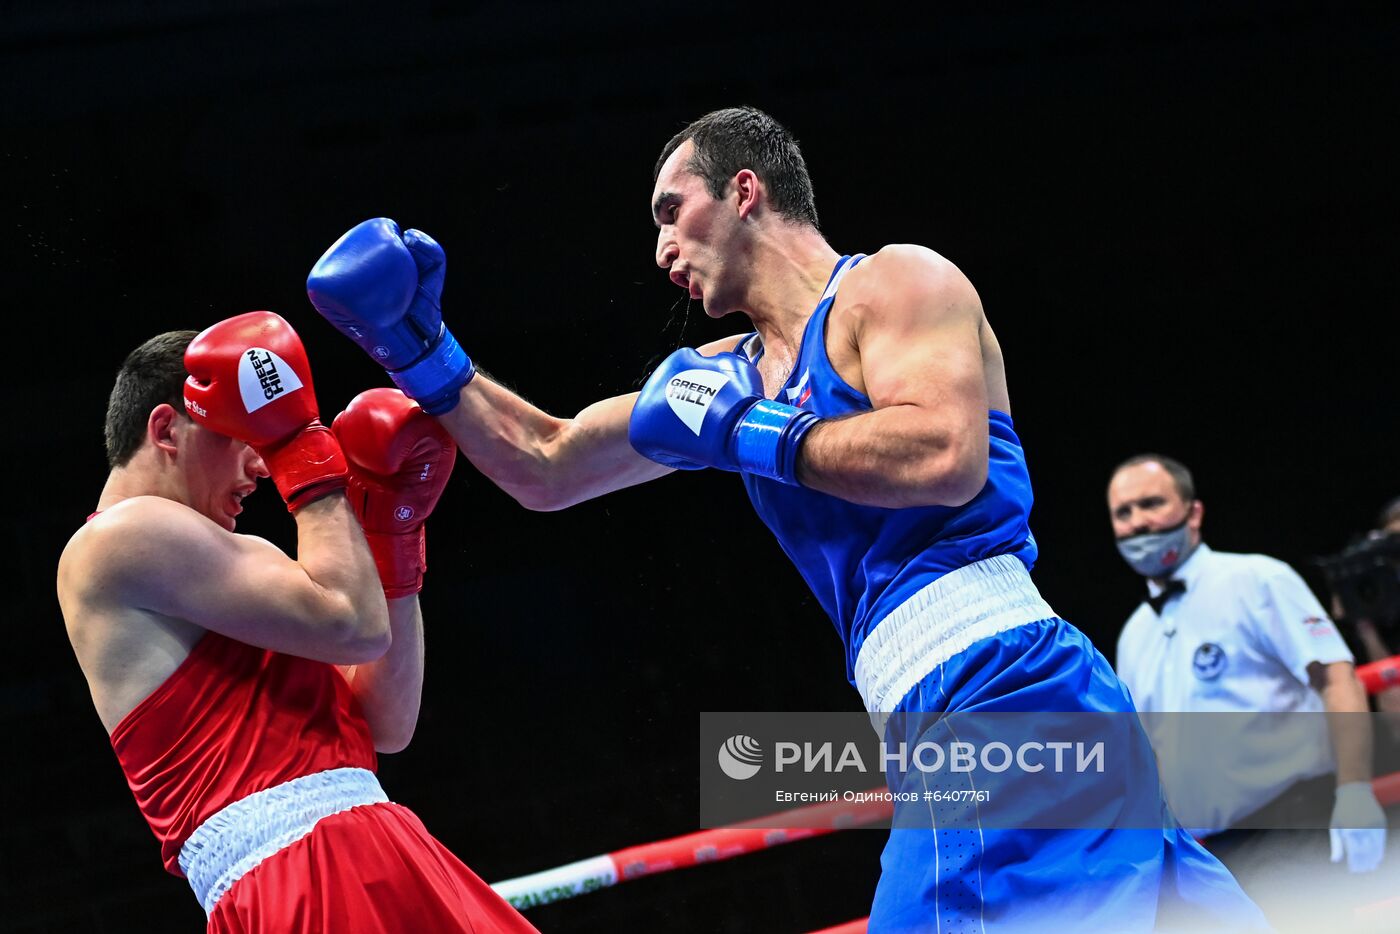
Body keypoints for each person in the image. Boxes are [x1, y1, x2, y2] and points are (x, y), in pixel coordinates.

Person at [305, 107, 1265, 931]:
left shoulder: (896, 286)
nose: (659, 250)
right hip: (950, 712)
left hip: (1002, 688)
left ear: (746, 192)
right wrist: (417, 348)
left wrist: (756, 433)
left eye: (670, 212)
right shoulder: (715, 381)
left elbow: (942, 456)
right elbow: (548, 465)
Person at [56, 315, 535, 932]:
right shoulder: (119, 539)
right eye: (243, 435)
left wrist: (393, 535)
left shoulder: (235, 565)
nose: (260, 465)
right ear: (166, 428)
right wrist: (299, 447)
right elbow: (353, 625)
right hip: (299, 870)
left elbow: (387, 723)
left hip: (365, 834)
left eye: (266, 441)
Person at [1107, 453, 1390, 919]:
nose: (1139, 522)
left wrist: (1355, 790)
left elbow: (1338, 676)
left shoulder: (1257, 579)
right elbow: (1151, 751)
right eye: (1124, 512)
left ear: (1193, 512)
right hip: (1208, 857)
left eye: (1151, 503)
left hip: (1292, 825)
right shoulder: (1134, 634)